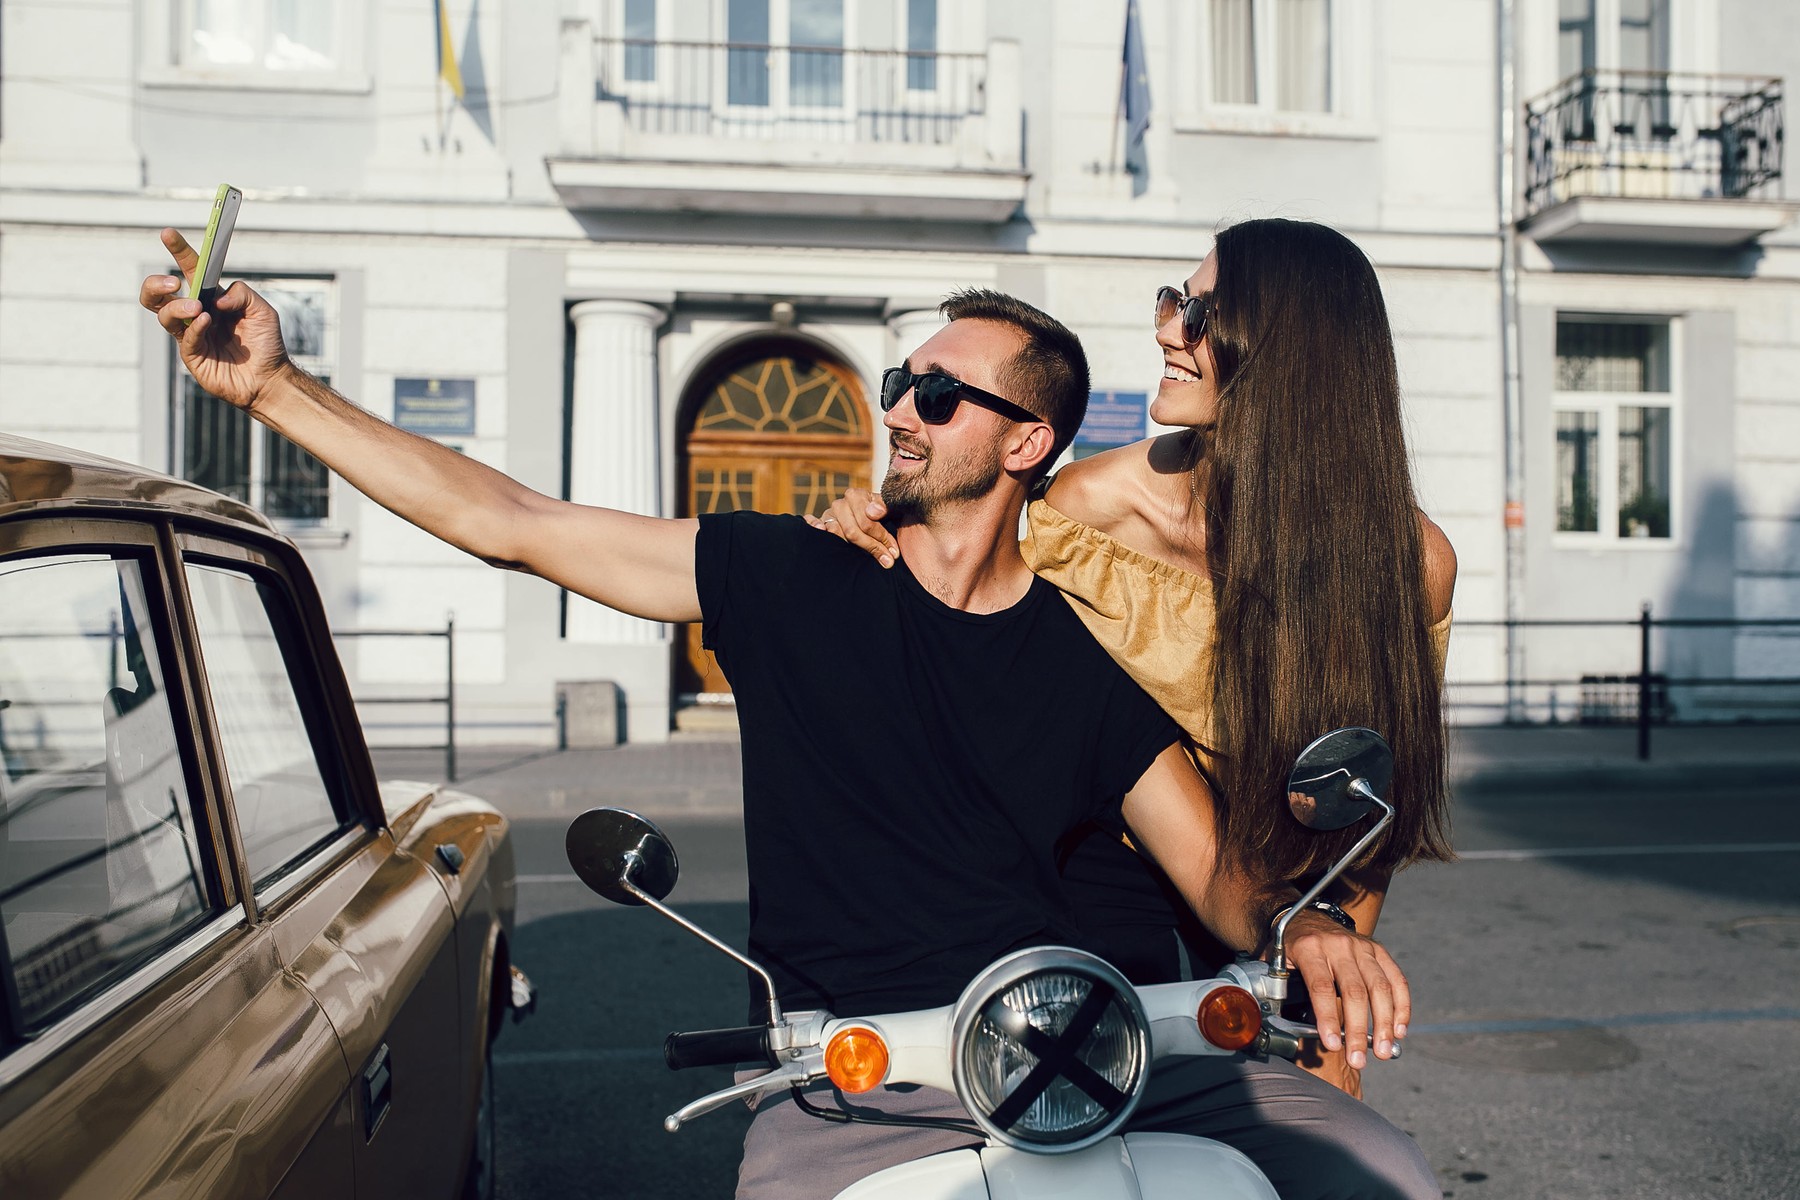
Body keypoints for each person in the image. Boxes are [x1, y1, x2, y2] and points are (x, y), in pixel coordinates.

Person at [139, 235, 1435, 1200]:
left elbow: (1218, 874)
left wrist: (1313, 929)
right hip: (867, 1088)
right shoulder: (788, 577)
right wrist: (272, 392)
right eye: (895, 388)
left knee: (1384, 1180)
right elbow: (515, 525)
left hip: (1106, 1050)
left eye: (938, 397)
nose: (898, 415)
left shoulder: (1086, 649)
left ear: (1026, 442)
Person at [810, 217, 1458, 1098]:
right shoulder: (1084, 513)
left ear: (1292, 352)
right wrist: (874, 519)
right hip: (1091, 912)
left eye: (1199, 311)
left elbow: (1358, 806)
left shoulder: (1408, 565)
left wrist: (1327, 1011)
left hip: (1282, 915)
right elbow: (967, 625)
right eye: (1172, 300)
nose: (1166, 328)